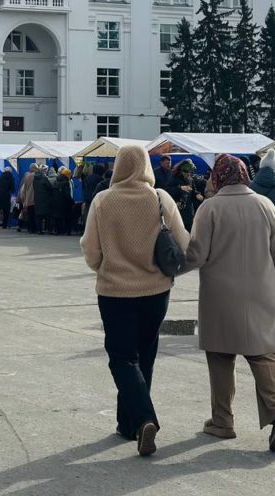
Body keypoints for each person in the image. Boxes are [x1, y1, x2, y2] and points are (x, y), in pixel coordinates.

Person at [80, 145, 190, 457]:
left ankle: (143, 419)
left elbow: (90, 249)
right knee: (145, 353)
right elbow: (182, 242)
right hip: (156, 291)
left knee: (121, 356)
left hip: (115, 292)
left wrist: (103, 267)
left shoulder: (103, 200)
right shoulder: (160, 198)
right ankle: (128, 424)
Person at [184, 153, 275, 452]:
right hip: (264, 294)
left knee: (221, 357)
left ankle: (222, 422)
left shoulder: (209, 209)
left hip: (221, 297)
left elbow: (196, 255)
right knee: (266, 355)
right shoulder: (266, 205)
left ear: (219, 177)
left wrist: (166, 265)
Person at [166, 160, 205, 231]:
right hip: (177, 208)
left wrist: (197, 194)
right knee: (178, 229)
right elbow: (168, 191)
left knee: (189, 227)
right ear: (182, 171)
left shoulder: (190, 179)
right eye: (188, 172)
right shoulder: (173, 178)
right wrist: (180, 188)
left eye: (191, 172)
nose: (189, 174)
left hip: (189, 209)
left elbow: (193, 190)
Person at [52, 168, 75, 235]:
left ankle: (58, 231)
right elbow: (67, 194)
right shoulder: (66, 182)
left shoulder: (56, 181)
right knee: (67, 217)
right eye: (70, 174)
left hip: (56, 201)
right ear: (67, 175)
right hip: (64, 202)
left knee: (58, 217)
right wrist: (71, 201)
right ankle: (67, 231)